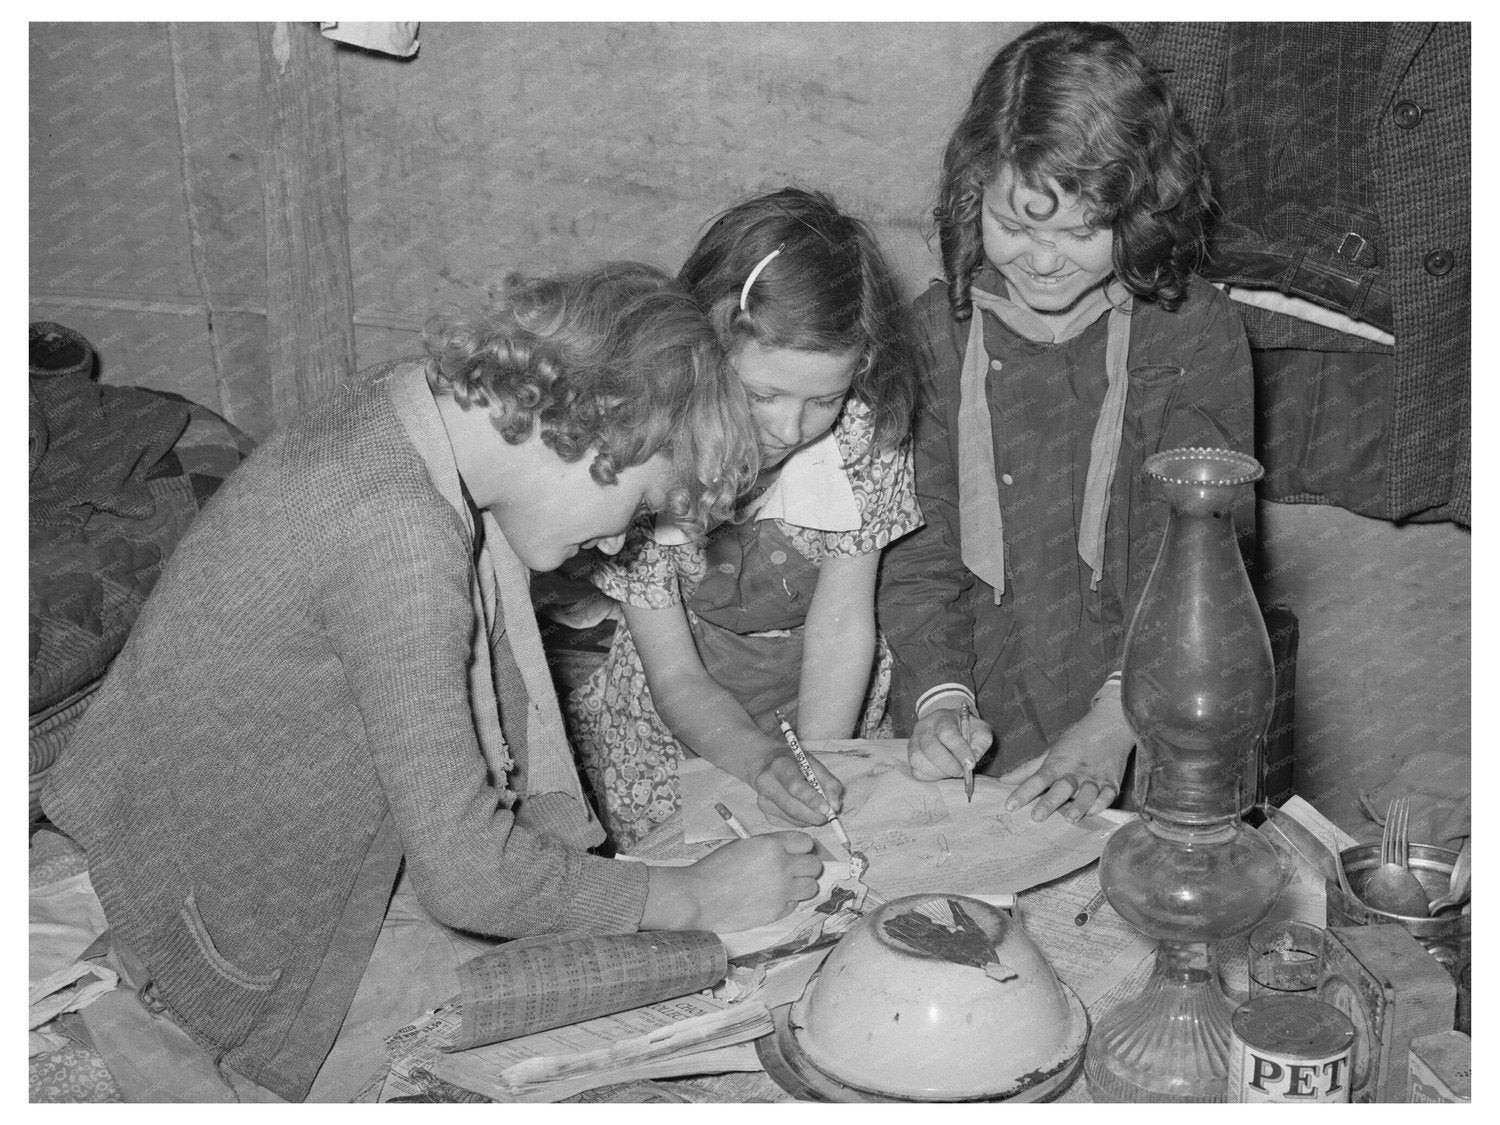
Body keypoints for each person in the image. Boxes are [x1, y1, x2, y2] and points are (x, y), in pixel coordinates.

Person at [41, 262, 822, 1102]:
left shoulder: (408, 404)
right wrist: (693, 893)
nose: (617, 545)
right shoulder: (401, 541)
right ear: (602, 428)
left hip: (148, 818)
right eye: (637, 511)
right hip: (180, 906)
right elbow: (467, 876)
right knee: (620, 993)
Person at [879, 23, 1255, 824]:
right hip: (986, 697)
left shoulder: (1194, 332)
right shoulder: (936, 332)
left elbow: (1205, 571)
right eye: (1015, 226)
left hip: (1149, 707)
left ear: (1143, 207)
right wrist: (940, 701)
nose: (1042, 260)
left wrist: (1119, 719)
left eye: (1080, 232)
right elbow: (920, 547)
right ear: (971, 194)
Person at [567, 188, 922, 850]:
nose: (791, 428)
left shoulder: (862, 442)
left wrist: (816, 762)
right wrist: (759, 759)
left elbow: (842, 624)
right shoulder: (649, 452)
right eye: (763, 394)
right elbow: (675, 674)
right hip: (676, 711)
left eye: (825, 398)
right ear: (705, 350)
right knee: (698, 866)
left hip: (820, 698)